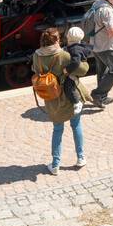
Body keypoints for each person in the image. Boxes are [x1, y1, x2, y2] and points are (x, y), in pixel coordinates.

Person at [31, 27, 86, 173]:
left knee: (57, 130)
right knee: (76, 125)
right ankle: (81, 158)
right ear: (57, 40)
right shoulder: (63, 55)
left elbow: (35, 69)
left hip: (52, 98)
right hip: (69, 97)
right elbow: (83, 69)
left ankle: (55, 165)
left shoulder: (36, 55)